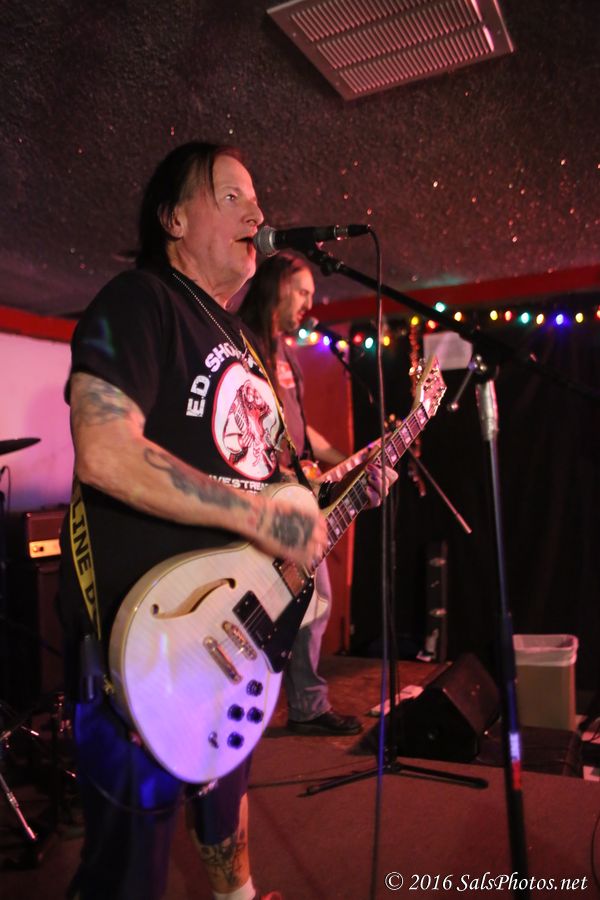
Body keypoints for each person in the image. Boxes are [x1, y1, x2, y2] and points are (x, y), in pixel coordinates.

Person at [58, 141, 395, 900]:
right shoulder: (140, 300)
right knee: (126, 879)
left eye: (257, 199)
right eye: (231, 196)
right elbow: (105, 451)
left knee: (224, 802)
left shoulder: (245, 344)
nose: (257, 213)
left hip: (229, 634)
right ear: (175, 219)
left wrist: (340, 494)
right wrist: (259, 517)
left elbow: (280, 486)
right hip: (143, 653)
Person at [238, 253, 362, 736]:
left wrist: (350, 458)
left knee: (317, 598)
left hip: (297, 495)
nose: (310, 304)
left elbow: (301, 433)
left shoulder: (288, 356)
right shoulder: (243, 344)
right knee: (255, 607)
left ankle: (308, 705)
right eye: (303, 292)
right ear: (278, 286)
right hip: (259, 501)